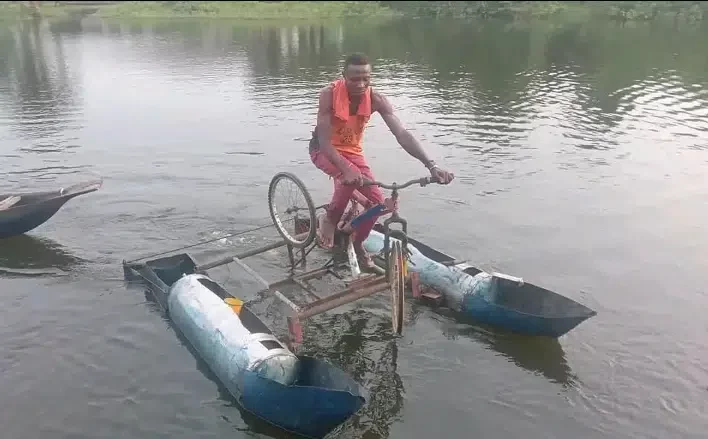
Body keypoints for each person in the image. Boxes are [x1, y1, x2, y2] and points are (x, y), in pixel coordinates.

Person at [309, 53, 454, 269]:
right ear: (343, 76)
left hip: (353, 151)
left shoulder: (376, 99)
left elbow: (402, 134)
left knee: (378, 205)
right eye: (354, 78)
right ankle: (328, 220)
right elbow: (324, 140)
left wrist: (431, 165)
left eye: (365, 78)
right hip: (323, 150)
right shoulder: (328, 94)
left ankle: (357, 242)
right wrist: (345, 168)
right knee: (348, 180)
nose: (360, 84)